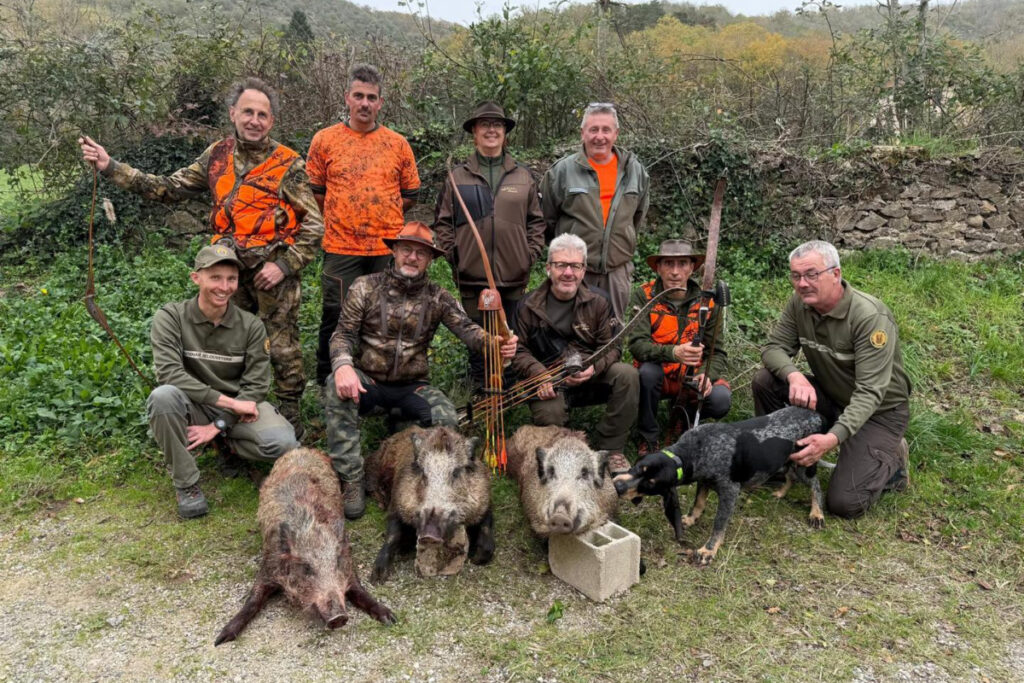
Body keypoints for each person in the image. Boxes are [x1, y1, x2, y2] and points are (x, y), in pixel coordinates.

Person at [79, 77, 323, 438]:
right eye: (247, 112)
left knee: (283, 348)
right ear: (233, 114)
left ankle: (291, 422)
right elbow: (167, 188)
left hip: (274, 272)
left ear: (271, 121)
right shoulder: (216, 156)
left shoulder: (288, 163)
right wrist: (110, 166)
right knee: (226, 345)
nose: (254, 120)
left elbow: (314, 225)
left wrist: (283, 265)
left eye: (262, 114)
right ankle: (225, 423)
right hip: (227, 270)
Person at [324, 222, 517, 519]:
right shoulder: (365, 286)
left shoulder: (438, 297)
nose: (412, 257)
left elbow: (468, 331)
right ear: (395, 251)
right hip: (368, 380)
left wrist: (497, 344)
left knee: (446, 418)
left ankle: (434, 478)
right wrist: (343, 366)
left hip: (411, 386)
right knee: (336, 389)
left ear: (429, 260)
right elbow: (343, 334)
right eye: (407, 250)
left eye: (421, 253)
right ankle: (351, 478)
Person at [754, 240, 911, 518]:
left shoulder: (868, 317)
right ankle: (779, 465)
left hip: (879, 412)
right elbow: (773, 348)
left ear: (835, 274)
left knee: (844, 504)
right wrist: (794, 376)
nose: (802, 284)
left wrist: (831, 439)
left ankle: (893, 460)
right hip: (832, 395)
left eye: (812, 274)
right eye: (796, 276)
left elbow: (870, 393)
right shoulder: (800, 304)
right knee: (767, 380)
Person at [147, 244, 299, 518]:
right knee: (162, 398)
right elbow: (169, 373)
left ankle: (227, 445)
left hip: (239, 408)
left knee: (283, 442)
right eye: (215, 277)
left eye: (231, 279)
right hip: (196, 405)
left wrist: (219, 423)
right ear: (196, 278)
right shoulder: (170, 317)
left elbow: (257, 385)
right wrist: (228, 403)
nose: (224, 286)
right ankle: (187, 483)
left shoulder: (251, 325)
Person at [307, 63, 421, 387]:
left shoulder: (397, 144)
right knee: (336, 314)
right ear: (347, 98)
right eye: (358, 96)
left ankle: (375, 380)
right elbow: (315, 191)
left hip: (385, 249)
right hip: (340, 247)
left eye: (371, 97)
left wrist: (380, 213)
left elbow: (410, 193)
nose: (365, 103)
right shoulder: (325, 140)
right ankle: (326, 380)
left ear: (380, 102)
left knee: (383, 316)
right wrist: (343, 213)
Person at [433, 101, 545, 387]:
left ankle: (506, 399)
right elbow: (443, 222)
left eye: (497, 125)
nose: (491, 130)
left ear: (505, 132)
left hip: (513, 278)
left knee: (509, 342)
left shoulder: (523, 176)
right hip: (473, 279)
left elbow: (536, 223)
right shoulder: (457, 176)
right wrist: (456, 256)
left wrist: (528, 255)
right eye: (485, 124)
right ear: (474, 131)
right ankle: (482, 398)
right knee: (477, 346)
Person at [510, 234, 638, 474]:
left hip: (589, 377)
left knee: (628, 375)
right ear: (549, 268)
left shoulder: (600, 302)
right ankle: (566, 446)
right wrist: (539, 375)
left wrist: (594, 367)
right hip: (550, 383)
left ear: (583, 270)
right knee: (550, 414)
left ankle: (611, 449)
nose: (568, 273)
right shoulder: (527, 306)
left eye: (575, 266)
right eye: (561, 265)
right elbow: (517, 350)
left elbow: (613, 346)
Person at [540, 102, 649, 322]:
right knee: (571, 329)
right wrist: (567, 256)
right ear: (583, 133)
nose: (600, 137)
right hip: (574, 271)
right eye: (593, 129)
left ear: (616, 134)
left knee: (611, 331)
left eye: (606, 130)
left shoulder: (634, 171)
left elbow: (637, 216)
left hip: (616, 271)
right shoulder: (563, 171)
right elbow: (546, 220)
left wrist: (617, 243)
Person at [627, 239, 731, 454]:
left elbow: (717, 352)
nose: (675, 272)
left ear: (692, 268)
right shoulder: (644, 295)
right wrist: (673, 353)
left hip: (690, 377)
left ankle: (684, 420)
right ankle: (648, 437)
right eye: (668, 264)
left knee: (720, 400)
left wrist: (706, 376)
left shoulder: (707, 302)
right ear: (658, 267)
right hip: (658, 376)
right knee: (647, 372)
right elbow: (637, 344)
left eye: (682, 263)